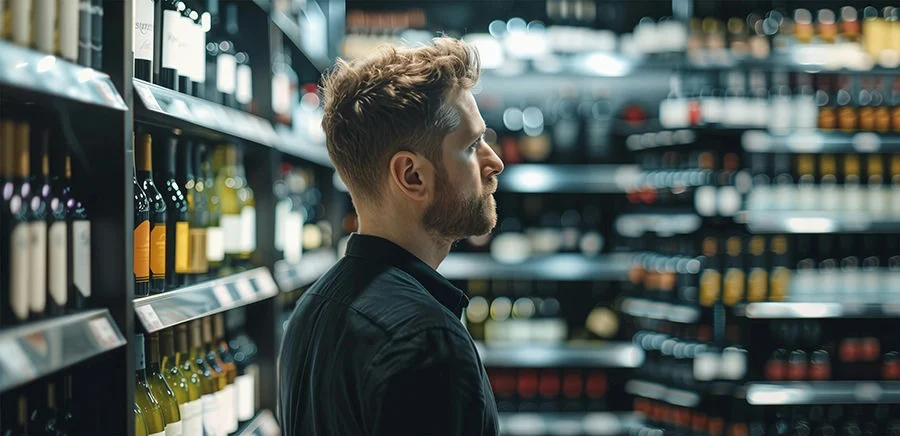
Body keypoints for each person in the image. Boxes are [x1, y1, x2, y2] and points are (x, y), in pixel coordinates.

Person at [277, 37, 504, 435]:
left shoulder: (313, 306)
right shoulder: (428, 344)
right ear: (411, 176)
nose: (495, 162)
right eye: (472, 146)